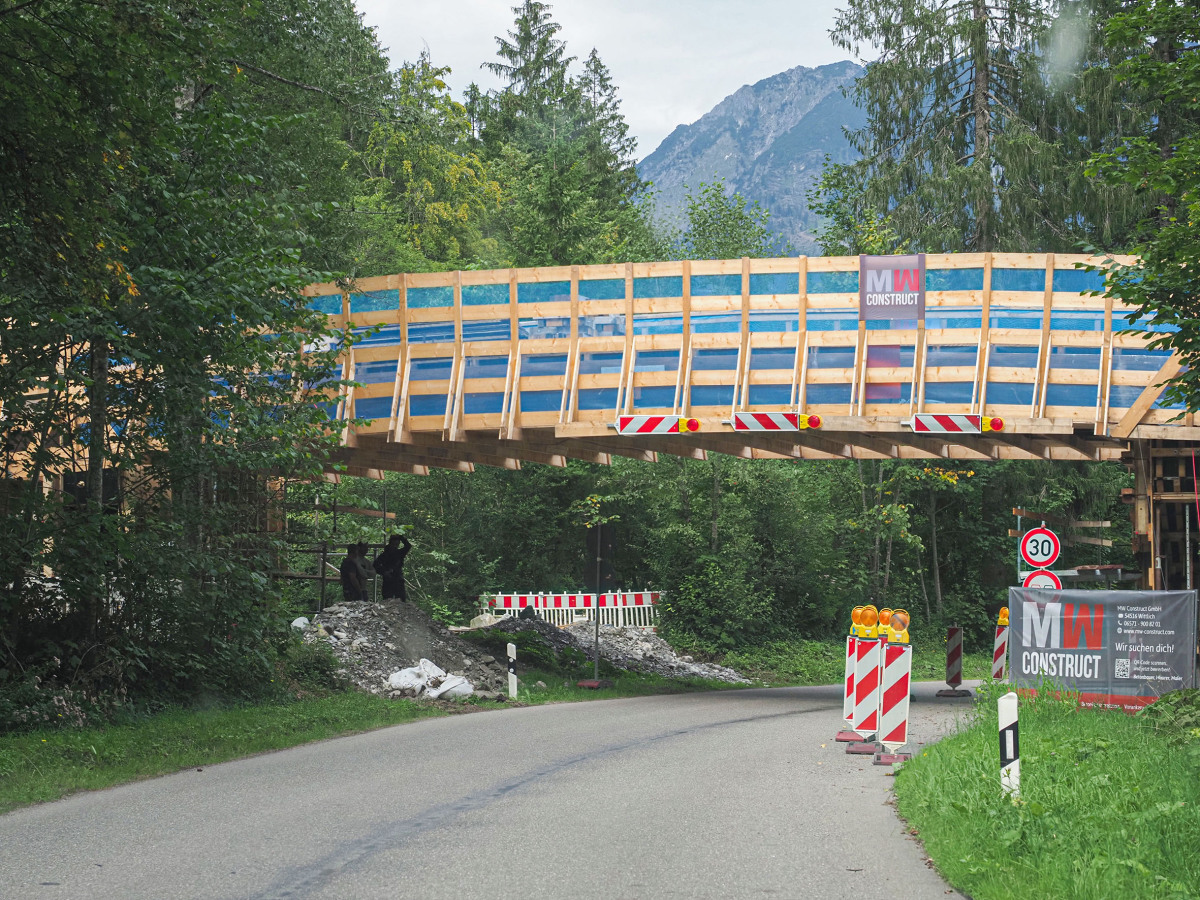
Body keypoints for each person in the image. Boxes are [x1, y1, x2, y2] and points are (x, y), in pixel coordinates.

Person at [373, 532, 411, 602]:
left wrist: (400, 537)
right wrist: (384, 572)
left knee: (401, 600)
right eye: (394, 544)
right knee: (387, 599)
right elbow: (375, 565)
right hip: (388, 580)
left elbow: (408, 546)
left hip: (398, 579)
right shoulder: (384, 555)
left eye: (396, 544)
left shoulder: (399, 553)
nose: (395, 546)